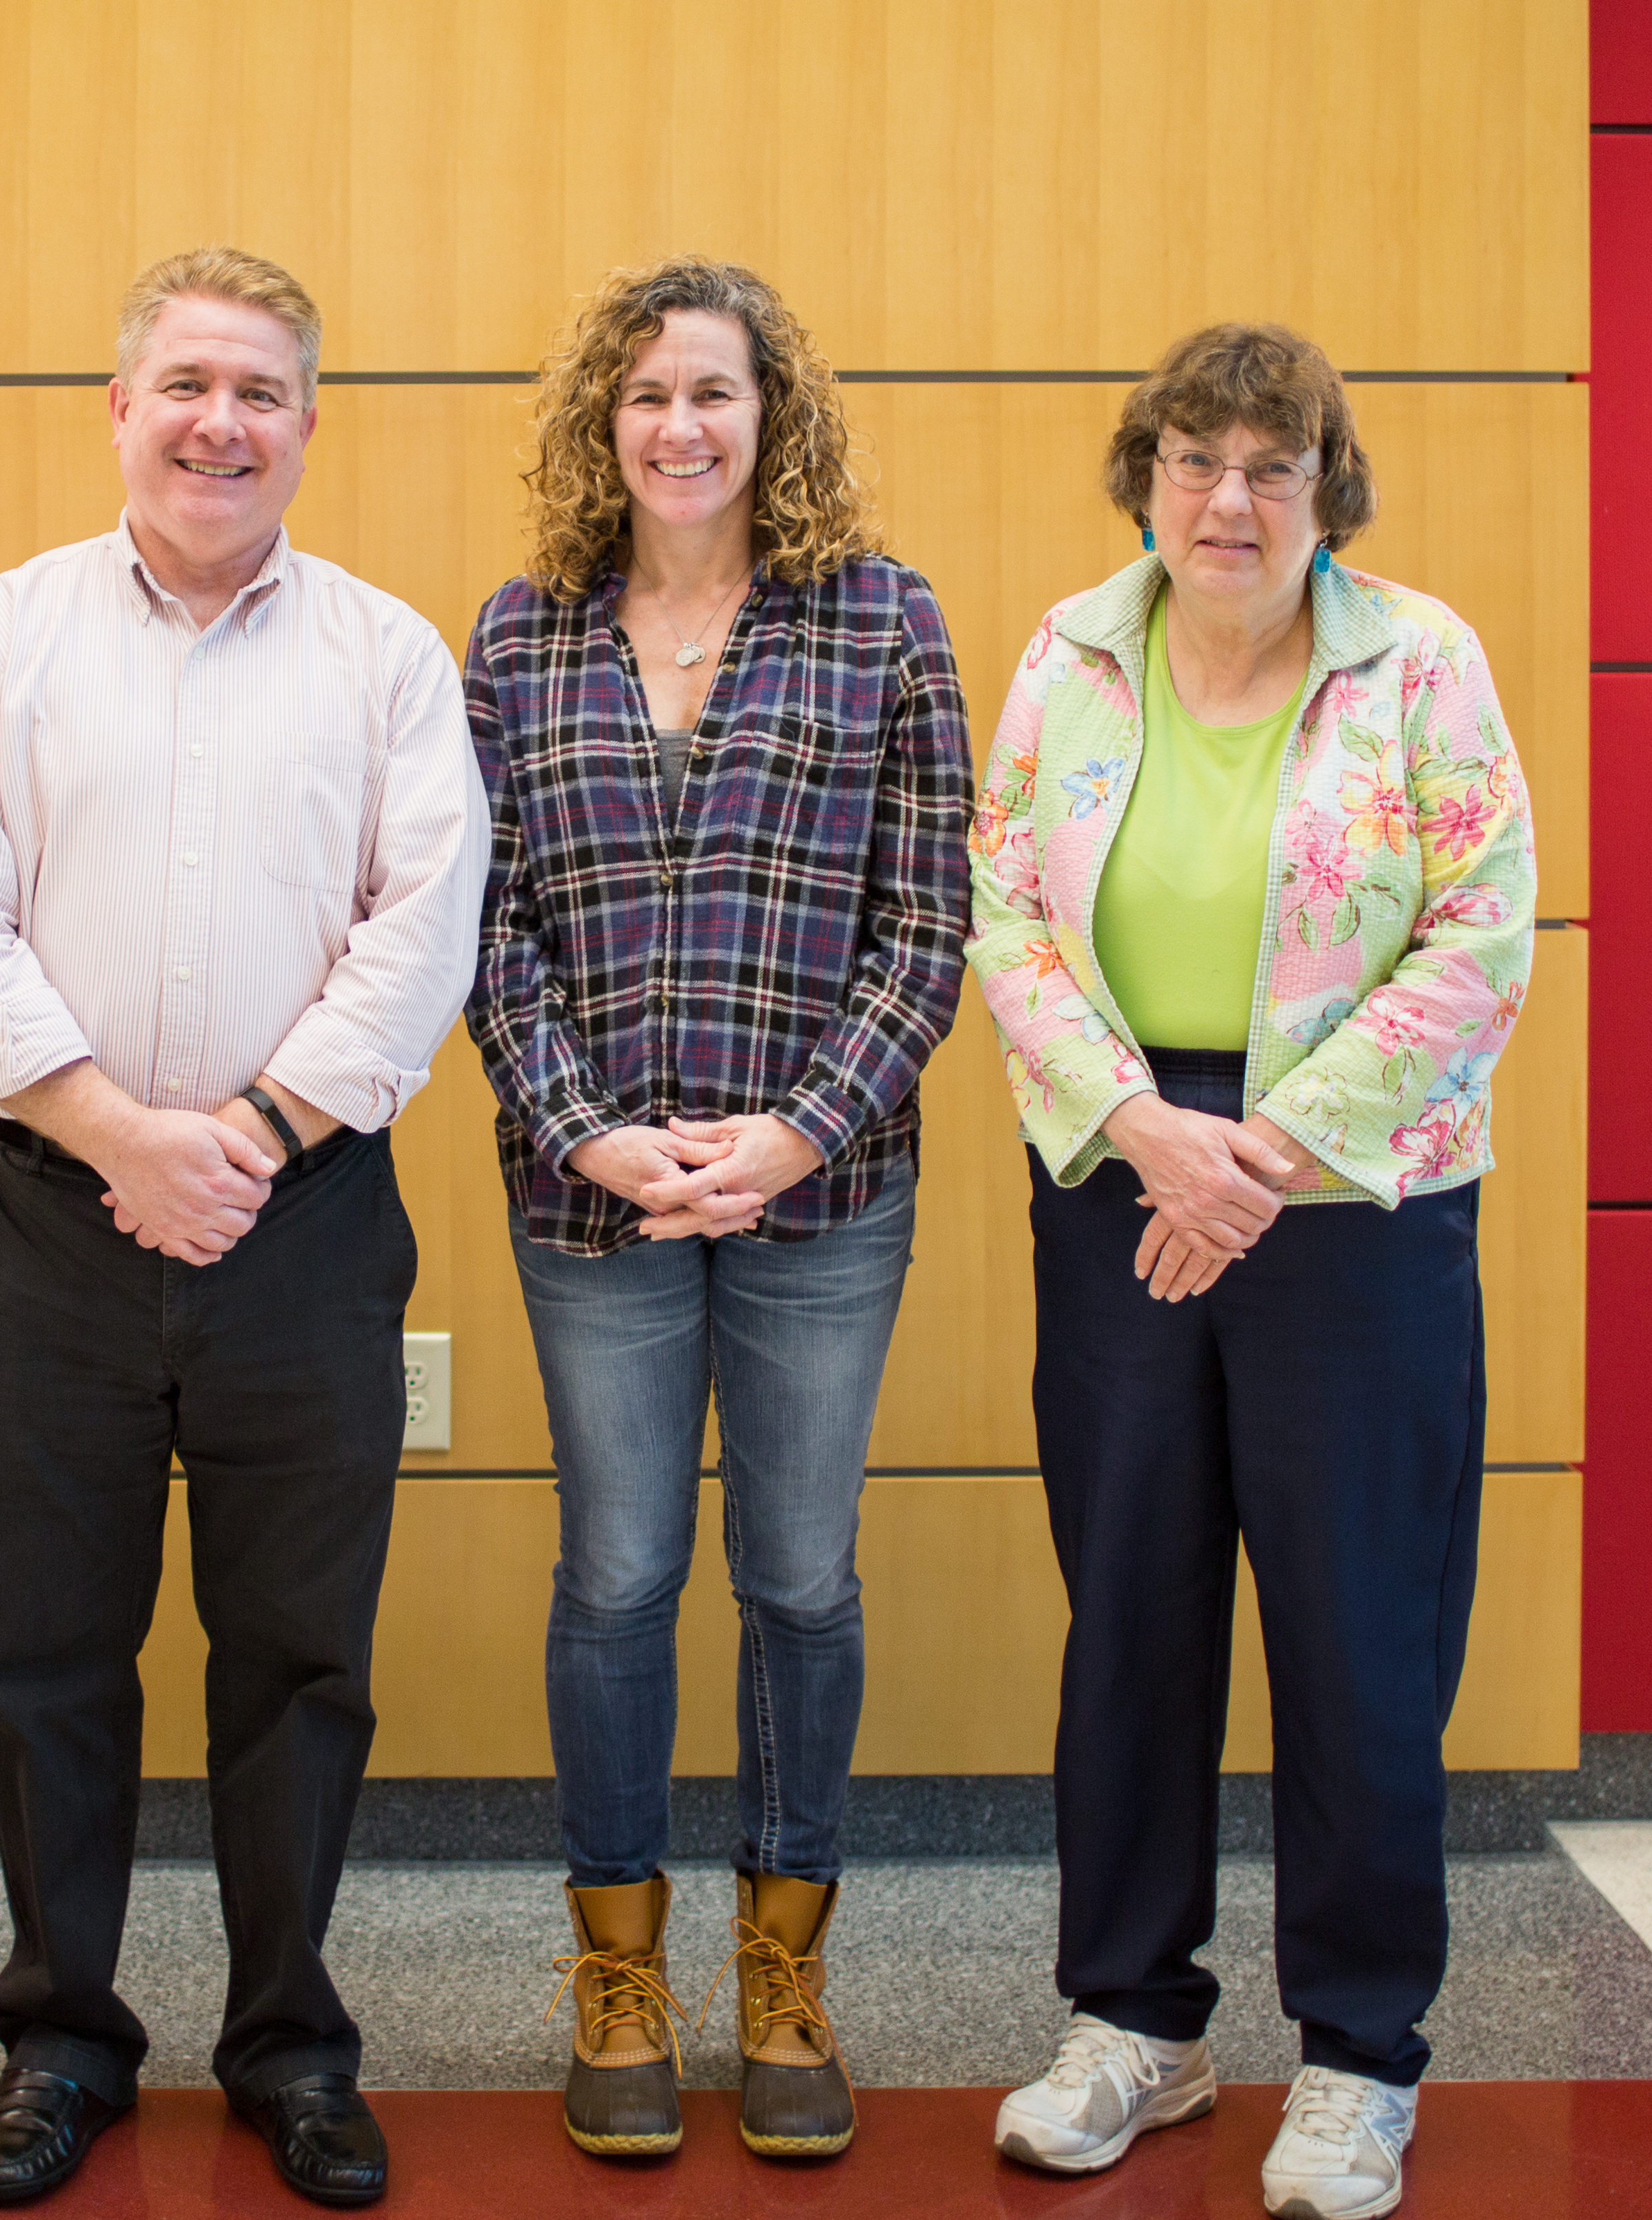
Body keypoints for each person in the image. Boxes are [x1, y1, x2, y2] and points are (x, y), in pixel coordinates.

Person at [0, 247, 488, 2212]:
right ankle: (60, 2038)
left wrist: (238, 1132)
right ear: (118, 406)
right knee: (45, 1649)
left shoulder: (385, 656)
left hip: (304, 1223)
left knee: (296, 1652)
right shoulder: (0, 639)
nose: (220, 422)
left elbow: (424, 929)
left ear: (308, 426)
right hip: (47, 1217)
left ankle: (289, 2042)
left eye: (260, 392)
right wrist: (115, 1132)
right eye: (186, 384)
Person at [966, 324, 1536, 2220]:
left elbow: (1479, 935)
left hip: (1351, 1194)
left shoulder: (1420, 660)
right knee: (1127, 1605)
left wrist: (1265, 1159)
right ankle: (1133, 2018)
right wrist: (1147, 1134)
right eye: (1194, 459)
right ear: (1144, 473)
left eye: (1268, 466)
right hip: (1126, 1164)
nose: (1227, 498)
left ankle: (1358, 2053)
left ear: (1324, 491)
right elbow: (1007, 915)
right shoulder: (1067, 653)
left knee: (1358, 1632)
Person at [461, 257, 969, 2163]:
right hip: (587, 1204)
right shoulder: (519, 639)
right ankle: (615, 1974)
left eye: (715, 392)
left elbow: (929, 920)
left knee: (796, 1580)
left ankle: (781, 1972)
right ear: (603, 425)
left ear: (775, 416)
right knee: (612, 1579)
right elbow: (479, 924)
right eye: (647, 394)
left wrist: (791, 1135)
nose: (681, 425)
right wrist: (588, 1128)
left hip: (818, 1205)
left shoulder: (878, 624)